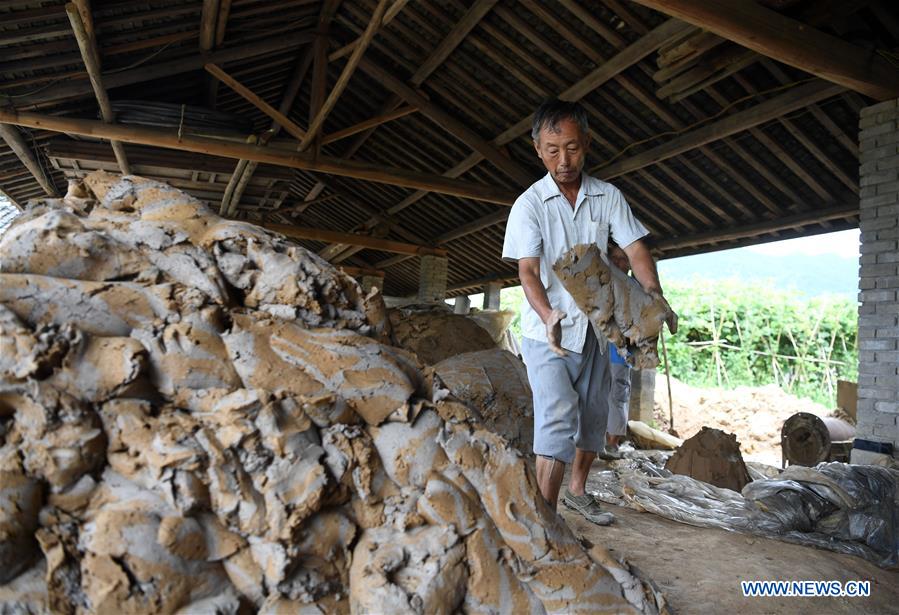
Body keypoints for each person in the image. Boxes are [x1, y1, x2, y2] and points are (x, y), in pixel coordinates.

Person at [502, 99, 676, 525]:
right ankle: (545, 522)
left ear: (587, 143)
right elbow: (528, 271)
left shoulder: (607, 197)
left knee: (594, 416)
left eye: (572, 148)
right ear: (538, 149)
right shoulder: (529, 205)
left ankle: (578, 491)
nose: (563, 160)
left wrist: (653, 295)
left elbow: (636, 249)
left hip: (598, 330)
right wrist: (548, 314)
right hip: (549, 335)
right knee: (558, 415)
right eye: (552, 150)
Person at [601, 242, 635, 461]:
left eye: (623, 259)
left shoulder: (632, 289)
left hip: (620, 353)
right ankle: (605, 444)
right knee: (609, 397)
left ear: (630, 264)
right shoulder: (609, 286)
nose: (619, 263)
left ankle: (610, 444)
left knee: (616, 397)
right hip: (603, 352)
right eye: (615, 258)